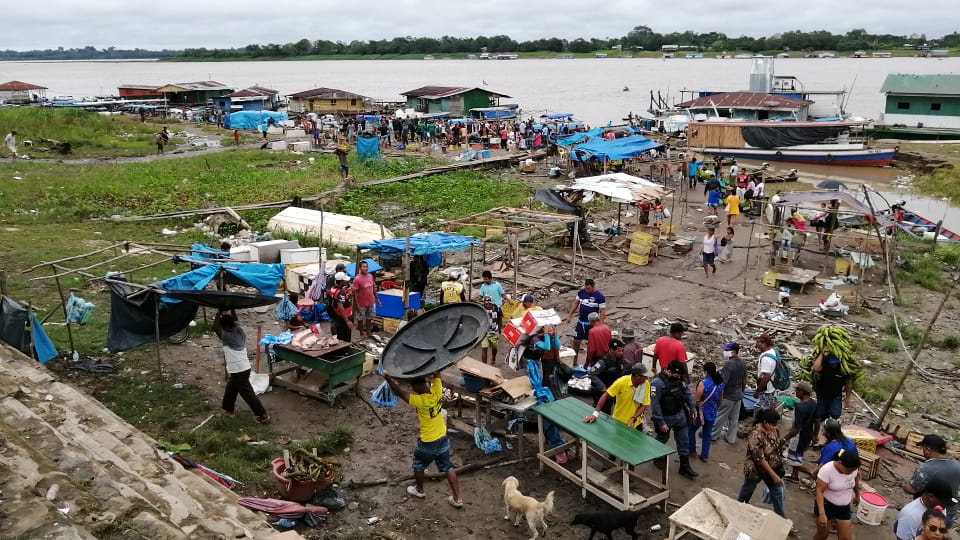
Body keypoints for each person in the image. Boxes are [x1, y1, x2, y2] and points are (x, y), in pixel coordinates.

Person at [381, 371, 463, 509]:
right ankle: (457, 498)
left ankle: (419, 490)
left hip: (428, 442)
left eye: (413, 387)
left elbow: (400, 393)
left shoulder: (420, 401)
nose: (412, 389)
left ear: (417, 386)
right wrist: (435, 369)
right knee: (448, 467)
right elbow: (437, 375)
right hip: (442, 438)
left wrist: (387, 378)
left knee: (418, 465)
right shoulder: (437, 391)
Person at [213, 310, 270, 424]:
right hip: (243, 368)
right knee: (231, 388)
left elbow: (215, 328)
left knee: (248, 394)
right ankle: (229, 410)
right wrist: (232, 309)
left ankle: (263, 415)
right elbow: (235, 320)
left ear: (225, 327)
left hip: (238, 370)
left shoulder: (226, 336)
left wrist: (218, 313)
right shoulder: (239, 331)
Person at [737, 409, 791, 523]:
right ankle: (737, 512)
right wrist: (774, 475)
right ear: (765, 423)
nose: (776, 427)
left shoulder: (773, 431)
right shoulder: (755, 434)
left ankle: (782, 520)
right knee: (746, 492)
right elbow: (759, 459)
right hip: (756, 469)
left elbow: (776, 446)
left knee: (777, 494)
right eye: (774, 424)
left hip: (773, 467)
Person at [650, 360, 699, 479]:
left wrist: (693, 408)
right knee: (662, 438)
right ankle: (656, 458)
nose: (677, 377)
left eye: (679, 375)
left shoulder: (679, 380)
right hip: (665, 417)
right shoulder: (657, 383)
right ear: (668, 371)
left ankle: (684, 467)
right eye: (675, 374)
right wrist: (660, 422)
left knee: (684, 441)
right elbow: (655, 405)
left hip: (679, 415)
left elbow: (687, 394)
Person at [903, 434, 960, 526]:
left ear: (928, 449)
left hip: (929, 515)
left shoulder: (927, 468)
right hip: (949, 514)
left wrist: (904, 485)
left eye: (922, 448)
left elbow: (911, 489)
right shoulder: (957, 465)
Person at [582, 364, 650, 429]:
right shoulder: (621, 382)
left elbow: (644, 405)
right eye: (645, 376)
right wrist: (595, 414)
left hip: (636, 422)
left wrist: (633, 418)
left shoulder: (646, 384)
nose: (647, 378)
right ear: (637, 376)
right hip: (619, 422)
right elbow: (605, 395)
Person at [814, 450, 862, 540]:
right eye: (848, 470)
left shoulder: (853, 468)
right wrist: (822, 514)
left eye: (853, 470)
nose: (850, 473)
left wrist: (857, 495)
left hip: (844, 508)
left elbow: (855, 480)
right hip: (826, 506)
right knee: (822, 535)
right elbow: (819, 491)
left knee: (846, 538)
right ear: (840, 463)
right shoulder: (827, 470)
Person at [812, 346, 852, 444]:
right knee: (821, 416)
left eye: (835, 363)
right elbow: (816, 368)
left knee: (835, 415)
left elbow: (848, 383)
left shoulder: (843, 368)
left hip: (835, 396)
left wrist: (848, 397)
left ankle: (832, 436)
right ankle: (821, 435)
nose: (833, 365)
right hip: (822, 394)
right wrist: (822, 353)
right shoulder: (824, 363)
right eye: (832, 363)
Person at [712, 341, 747, 444]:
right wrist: (742, 391)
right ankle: (731, 438)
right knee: (734, 419)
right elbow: (744, 379)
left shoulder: (729, 365)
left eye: (727, 350)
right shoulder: (742, 362)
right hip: (738, 395)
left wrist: (719, 396)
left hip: (728, 396)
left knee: (720, 417)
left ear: (734, 351)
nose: (724, 351)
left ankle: (713, 435)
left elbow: (723, 383)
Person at [564, 278, 606, 361]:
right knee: (576, 342)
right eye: (586, 288)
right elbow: (576, 303)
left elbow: (602, 311)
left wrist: (601, 325)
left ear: (593, 286)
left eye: (588, 288)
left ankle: (589, 362)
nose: (587, 290)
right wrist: (569, 315)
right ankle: (574, 361)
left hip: (592, 325)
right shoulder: (581, 292)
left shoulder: (600, 297)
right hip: (581, 323)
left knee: (591, 344)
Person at [690, 362, 724, 461]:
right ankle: (705, 455)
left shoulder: (703, 383)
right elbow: (720, 399)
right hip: (712, 411)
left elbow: (697, 399)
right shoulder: (720, 383)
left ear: (706, 371)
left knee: (691, 430)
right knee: (707, 434)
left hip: (701, 411)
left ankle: (692, 451)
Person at [785, 381, 818, 465]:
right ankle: (795, 472)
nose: (795, 392)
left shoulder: (800, 407)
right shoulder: (813, 403)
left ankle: (810, 471)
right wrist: (815, 435)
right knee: (798, 457)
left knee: (794, 460)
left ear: (802, 392)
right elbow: (817, 421)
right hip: (807, 436)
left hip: (798, 437)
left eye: (797, 390)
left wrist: (785, 439)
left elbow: (797, 428)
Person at [352, 261, 380, 338]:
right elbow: (354, 293)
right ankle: (361, 333)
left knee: (369, 318)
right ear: (360, 268)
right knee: (360, 319)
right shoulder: (357, 279)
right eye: (363, 267)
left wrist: (377, 298)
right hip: (361, 302)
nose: (365, 268)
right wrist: (357, 304)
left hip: (370, 301)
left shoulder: (370, 276)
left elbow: (373, 289)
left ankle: (368, 332)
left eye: (366, 267)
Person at [753, 333, 779, 412]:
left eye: (759, 342)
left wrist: (758, 390)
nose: (757, 344)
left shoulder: (766, 359)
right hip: (772, 386)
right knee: (771, 408)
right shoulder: (773, 351)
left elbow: (766, 376)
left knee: (765, 411)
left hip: (766, 390)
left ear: (764, 344)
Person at [327, 272, 354, 342]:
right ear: (341, 281)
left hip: (338, 315)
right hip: (345, 316)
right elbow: (340, 305)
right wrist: (347, 321)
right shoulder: (340, 292)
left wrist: (346, 293)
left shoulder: (333, 288)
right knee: (345, 337)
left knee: (340, 335)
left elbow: (336, 298)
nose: (346, 281)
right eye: (345, 280)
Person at [480, 295, 502, 365]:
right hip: (484, 332)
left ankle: (493, 358)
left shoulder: (497, 308)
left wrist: (499, 329)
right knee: (484, 348)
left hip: (494, 331)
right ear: (484, 303)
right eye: (487, 304)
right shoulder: (481, 309)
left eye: (490, 304)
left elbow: (500, 318)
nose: (488, 305)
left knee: (494, 347)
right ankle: (484, 365)